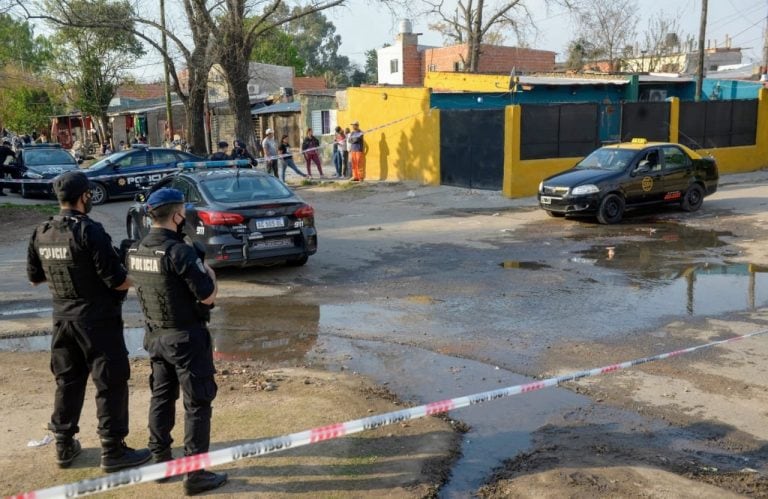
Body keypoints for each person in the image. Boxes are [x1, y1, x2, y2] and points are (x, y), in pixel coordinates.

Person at [26, 171, 151, 472]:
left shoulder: (41, 231)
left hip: (63, 321)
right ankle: (113, 451)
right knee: (110, 383)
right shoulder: (89, 231)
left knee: (67, 382)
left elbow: (35, 278)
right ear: (84, 197)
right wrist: (139, 275)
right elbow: (117, 281)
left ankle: (64, 445)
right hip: (98, 322)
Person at [126, 188, 227, 495]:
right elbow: (207, 294)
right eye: (183, 212)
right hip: (186, 338)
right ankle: (195, 474)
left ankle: (160, 462)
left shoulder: (136, 249)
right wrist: (207, 269)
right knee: (197, 404)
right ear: (177, 215)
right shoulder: (179, 251)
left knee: (161, 397)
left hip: (155, 336)